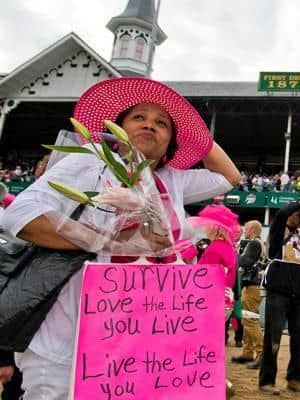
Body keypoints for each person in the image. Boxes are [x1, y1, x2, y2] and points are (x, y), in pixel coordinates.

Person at [0, 77, 240, 399]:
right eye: (138, 117)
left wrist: (196, 133)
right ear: (119, 129)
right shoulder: (92, 159)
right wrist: (103, 241)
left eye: (161, 124)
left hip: (137, 341)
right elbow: (20, 214)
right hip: (70, 336)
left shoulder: (174, 180)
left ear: (171, 142)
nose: (149, 126)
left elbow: (230, 177)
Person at [258, 200, 300, 395]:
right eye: (296, 213)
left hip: (299, 294)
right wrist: (297, 203)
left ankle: (295, 379)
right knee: (273, 336)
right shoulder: (278, 231)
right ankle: (266, 380)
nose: (299, 216)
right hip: (278, 292)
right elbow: (279, 215)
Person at [188, 204, 241, 397]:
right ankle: (219, 378)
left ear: (215, 227)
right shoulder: (227, 248)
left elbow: (202, 279)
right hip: (225, 298)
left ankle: (211, 379)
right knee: (215, 340)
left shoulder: (214, 249)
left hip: (212, 300)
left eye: (207, 225)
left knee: (205, 341)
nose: (204, 227)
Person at [231, 220, 267, 368]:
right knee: (247, 318)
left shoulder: (254, 243)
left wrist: (232, 255)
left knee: (250, 320)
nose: (244, 231)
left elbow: (245, 261)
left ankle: (261, 354)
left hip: (252, 285)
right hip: (254, 285)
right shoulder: (259, 243)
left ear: (251, 229)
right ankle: (248, 352)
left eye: (246, 228)